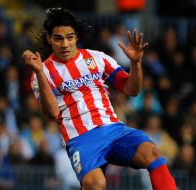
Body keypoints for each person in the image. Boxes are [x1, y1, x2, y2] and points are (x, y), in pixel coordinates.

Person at [22, 7, 177, 190]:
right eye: (58, 38)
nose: (65, 44)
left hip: (114, 129)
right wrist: (39, 72)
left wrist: (135, 63)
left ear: (77, 37)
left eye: (69, 37)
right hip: (81, 138)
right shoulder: (42, 71)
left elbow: (131, 89)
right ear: (49, 39)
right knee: (95, 184)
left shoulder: (97, 58)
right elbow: (52, 112)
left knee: (153, 153)